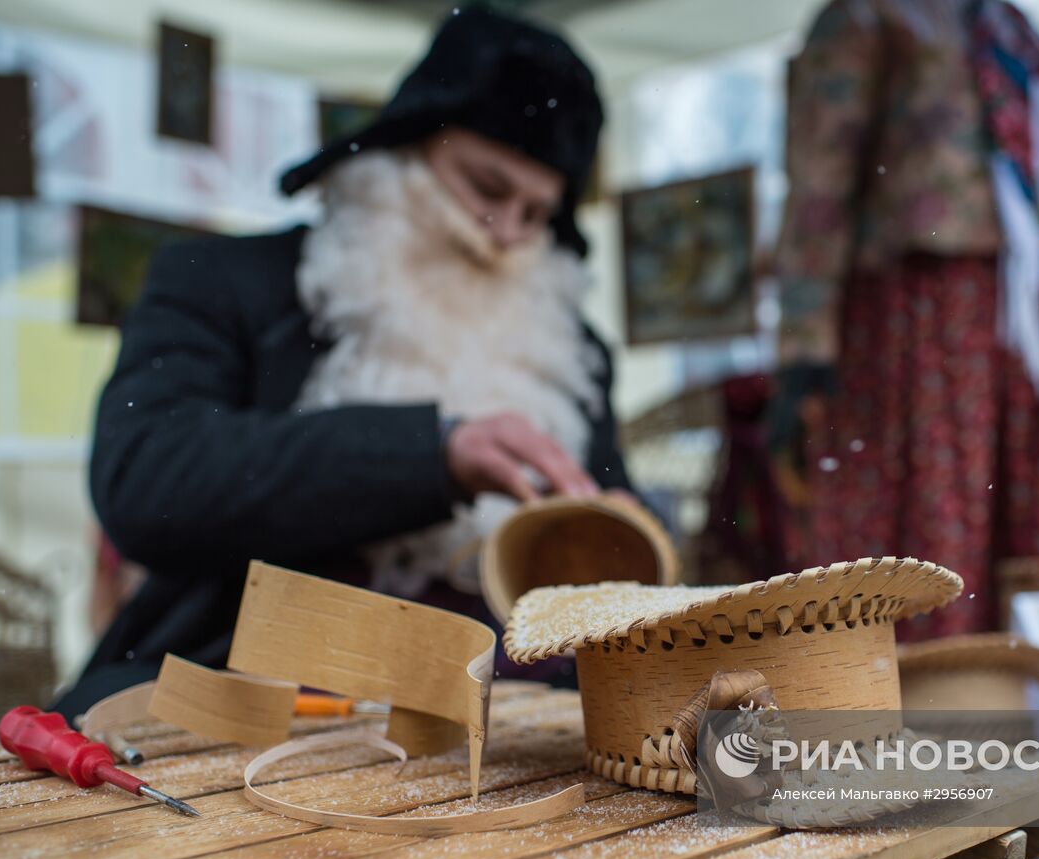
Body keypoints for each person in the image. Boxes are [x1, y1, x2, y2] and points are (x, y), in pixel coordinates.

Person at [53, 7, 628, 715]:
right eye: (485, 188)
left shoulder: (574, 352)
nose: (506, 234)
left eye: (536, 213)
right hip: (257, 701)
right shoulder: (223, 281)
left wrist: (611, 536)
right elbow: (144, 478)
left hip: (511, 720)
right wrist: (433, 455)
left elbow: (600, 518)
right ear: (408, 148)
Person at [774, 0, 1039, 638]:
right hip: (928, 301)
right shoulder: (868, 16)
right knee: (937, 517)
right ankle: (933, 705)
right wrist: (805, 341)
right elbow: (820, 174)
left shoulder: (1015, 27)